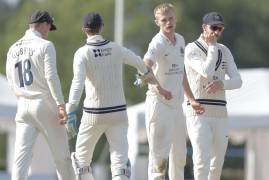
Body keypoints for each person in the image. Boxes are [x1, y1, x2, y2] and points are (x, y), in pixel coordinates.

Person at [66, 12, 158, 180]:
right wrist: (144, 74)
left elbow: (77, 84)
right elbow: (139, 62)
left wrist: (70, 110)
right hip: (118, 113)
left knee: (81, 161)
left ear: (84, 30)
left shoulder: (82, 53)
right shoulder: (116, 48)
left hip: (93, 114)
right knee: (120, 162)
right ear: (101, 27)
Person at [5, 10, 75, 180]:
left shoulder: (12, 47)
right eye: (49, 27)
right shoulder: (45, 46)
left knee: (20, 161)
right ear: (43, 24)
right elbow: (51, 77)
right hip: (44, 104)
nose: (49, 31)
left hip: (22, 105)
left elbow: (10, 79)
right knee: (62, 158)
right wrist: (60, 104)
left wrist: (21, 97)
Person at [143, 3, 204, 180]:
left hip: (177, 107)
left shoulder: (181, 40)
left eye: (171, 18)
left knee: (179, 155)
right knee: (158, 158)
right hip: (159, 105)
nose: (168, 22)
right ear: (157, 22)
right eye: (164, 20)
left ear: (175, 18)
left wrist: (191, 99)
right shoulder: (158, 42)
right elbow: (145, 66)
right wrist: (159, 88)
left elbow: (180, 73)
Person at [184, 12, 243, 180]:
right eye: (214, 27)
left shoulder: (224, 50)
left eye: (220, 28)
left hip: (220, 112)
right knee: (201, 160)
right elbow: (206, 71)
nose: (217, 32)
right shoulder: (191, 48)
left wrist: (222, 84)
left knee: (217, 163)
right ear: (204, 27)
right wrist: (212, 47)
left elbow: (238, 81)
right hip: (199, 112)